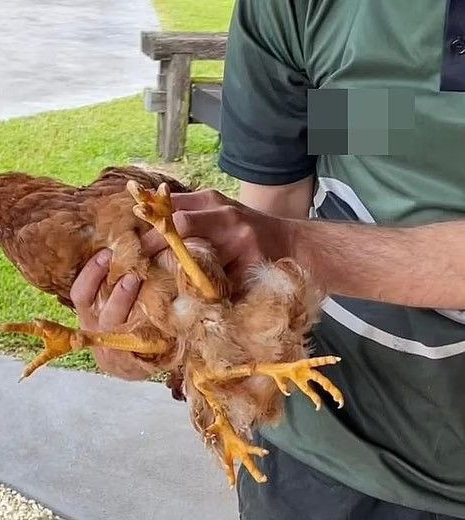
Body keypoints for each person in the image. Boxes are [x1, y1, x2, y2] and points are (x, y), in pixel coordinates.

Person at [70, 1, 465, 518]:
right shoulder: (298, 9)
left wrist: (293, 244)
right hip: (323, 458)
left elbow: (277, 237)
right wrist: (145, 334)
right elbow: (268, 225)